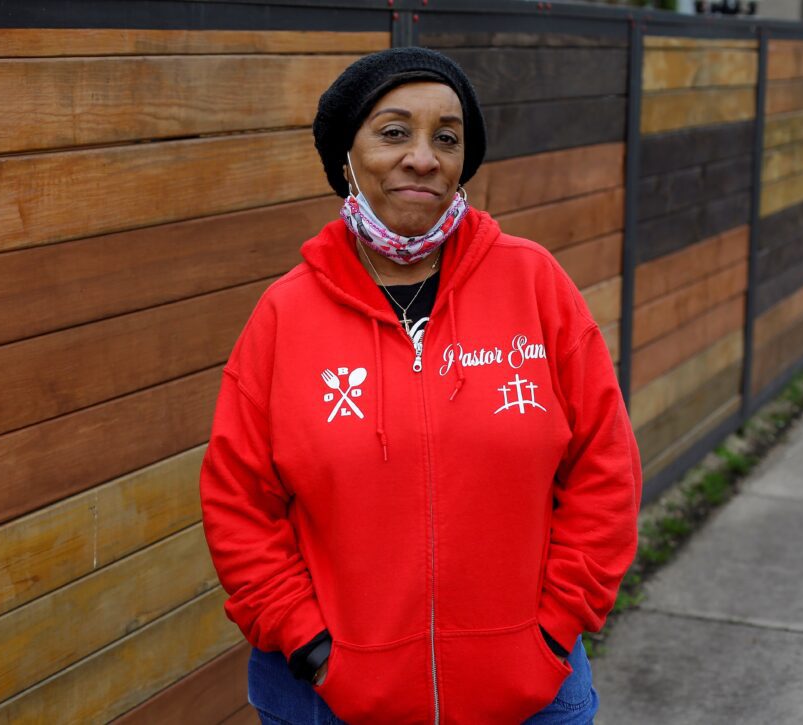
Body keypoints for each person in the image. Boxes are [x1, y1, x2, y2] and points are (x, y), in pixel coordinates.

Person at [199, 47, 642, 725]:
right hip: (327, 699)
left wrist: (552, 629)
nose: (423, 158)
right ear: (344, 157)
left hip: (531, 694)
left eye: (447, 136)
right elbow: (238, 503)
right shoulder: (285, 315)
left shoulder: (535, 284)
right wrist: (312, 645)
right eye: (394, 131)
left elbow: (604, 469)